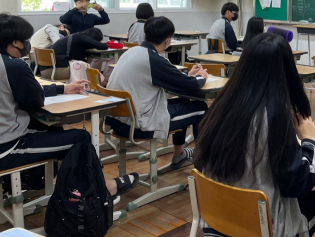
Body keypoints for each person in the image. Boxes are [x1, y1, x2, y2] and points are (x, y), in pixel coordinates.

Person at [195, 33, 315, 237]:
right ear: (286, 70)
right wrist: (308, 141)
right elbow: (297, 185)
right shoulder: (274, 117)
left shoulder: (221, 107)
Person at [0, 14, 138, 197]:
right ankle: (103, 188)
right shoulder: (14, 66)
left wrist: (63, 89)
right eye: (25, 40)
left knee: (51, 126)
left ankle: (40, 181)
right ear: (16, 42)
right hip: (8, 148)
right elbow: (34, 100)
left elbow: (21, 91)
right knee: (80, 137)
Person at [107, 16, 209, 170]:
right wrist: (202, 77)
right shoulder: (153, 59)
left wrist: (188, 76)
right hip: (138, 125)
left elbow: (174, 81)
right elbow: (191, 86)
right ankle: (204, 164)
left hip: (118, 120)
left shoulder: (131, 52)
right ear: (168, 40)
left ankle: (179, 154)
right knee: (200, 108)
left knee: (184, 103)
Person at [40, 28, 108, 80]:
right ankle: (100, 84)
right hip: (57, 71)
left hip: (44, 71)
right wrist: (103, 43)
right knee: (85, 67)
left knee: (81, 64)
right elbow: (103, 47)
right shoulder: (81, 37)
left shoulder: (73, 37)